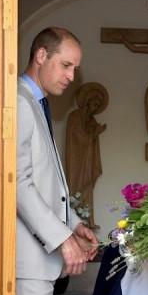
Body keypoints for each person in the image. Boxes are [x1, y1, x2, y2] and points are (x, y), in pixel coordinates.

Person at [16, 27, 99, 295]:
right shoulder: (18, 102)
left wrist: (75, 224)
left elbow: (45, 184)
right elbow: (17, 183)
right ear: (40, 56)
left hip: (39, 260)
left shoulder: (38, 104)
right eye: (65, 65)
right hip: (28, 260)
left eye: (74, 69)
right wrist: (62, 237)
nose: (70, 76)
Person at [65, 82, 109, 228]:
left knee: (88, 187)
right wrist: (94, 134)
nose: (95, 108)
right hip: (77, 160)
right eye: (93, 104)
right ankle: (75, 218)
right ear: (86, 102)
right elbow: (78, 137)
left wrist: (95, 133)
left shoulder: (92, 120)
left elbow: (90, 139)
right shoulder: (74, 116)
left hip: (88, 159)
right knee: (77, 187)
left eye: (97, 106)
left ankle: (88, 219)